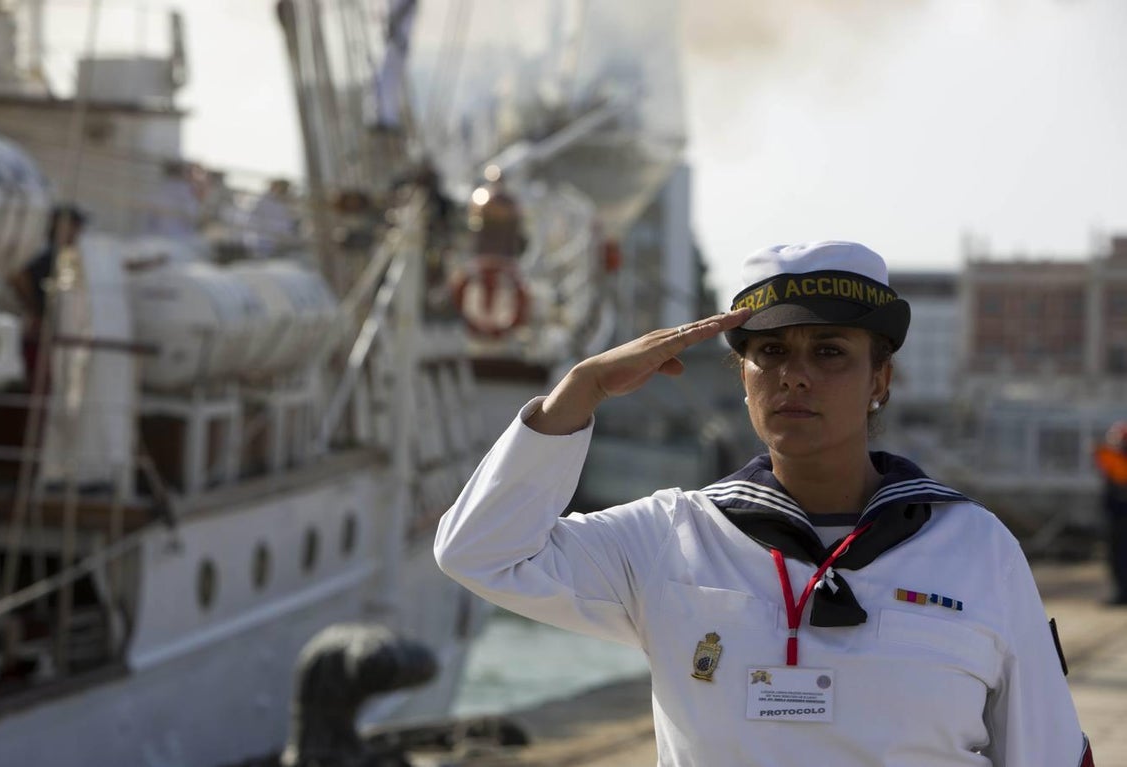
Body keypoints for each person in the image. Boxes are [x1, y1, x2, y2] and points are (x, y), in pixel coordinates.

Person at [435, 241, 1094, 766]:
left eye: (829, 351)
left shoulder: (976, 547)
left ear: (880, 380)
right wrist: (583, 388)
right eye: (770, 351)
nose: (795, 374)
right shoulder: (675, 536)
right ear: (742, 377)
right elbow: (480, 551)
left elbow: (1048, 750)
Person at [10, 204, 87, 384]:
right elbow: (17, 276)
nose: (78, 232)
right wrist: (34, 311)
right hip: (41, 333)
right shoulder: (49, 254)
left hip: (52, 330)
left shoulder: (63, 256)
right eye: (75, 226)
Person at [1094, 421, 1127, 605]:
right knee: (1116, 557)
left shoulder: (1120, 462)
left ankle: (1123, 593)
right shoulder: (1113, 460)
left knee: (1121, 557)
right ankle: (1121, 592)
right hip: (1115, 517)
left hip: (1121, 518)